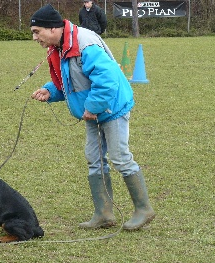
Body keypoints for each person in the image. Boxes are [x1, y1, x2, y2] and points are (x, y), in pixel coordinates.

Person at [29, 4, 155, 230]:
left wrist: (94, 107)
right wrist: (50, 90)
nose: (34, 37)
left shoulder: (85, 43)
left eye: (37, 32)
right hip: (92, 110)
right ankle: (104, 214)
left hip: (110, 108)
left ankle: (143, 209)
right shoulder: (59, 47)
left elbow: (106, 80)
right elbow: (71, 82)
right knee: (94, 159)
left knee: (120, 157)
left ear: (52, 28)